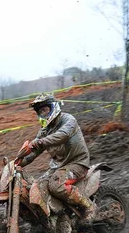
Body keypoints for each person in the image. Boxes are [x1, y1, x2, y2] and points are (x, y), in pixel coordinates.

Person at [17, 93, 96, 223]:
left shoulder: (68, 120)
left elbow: (63, 135)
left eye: (45, 109)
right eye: (40, 111)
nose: (43, 113)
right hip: (58, 166)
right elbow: (33, 153)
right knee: (36, 187)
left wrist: (40, 142)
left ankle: (89, 206)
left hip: (77, 162)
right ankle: (52, 223)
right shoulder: (45, 130)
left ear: (54, 107)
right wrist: (17, 163)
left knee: (56, 184)